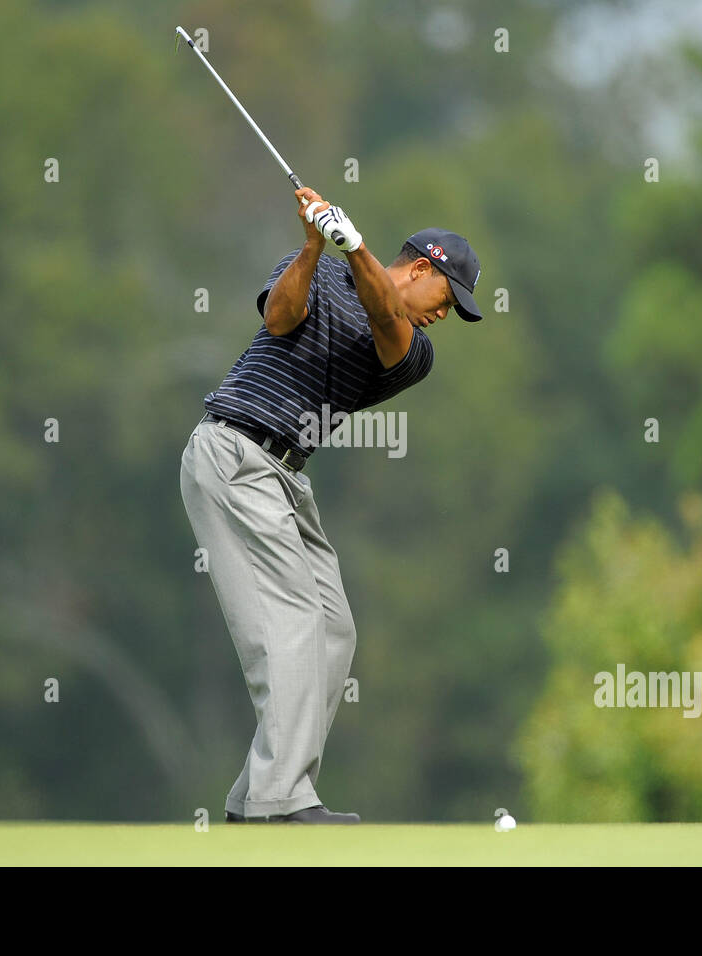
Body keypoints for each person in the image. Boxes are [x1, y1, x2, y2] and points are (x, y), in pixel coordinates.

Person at [179, 187, 483, 823]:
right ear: (423, 268)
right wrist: (317, 245)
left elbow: (386, 318)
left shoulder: (413, 350)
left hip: (286, 475)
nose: (443, 317)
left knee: (333, 629)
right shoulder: (313, 267)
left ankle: (254, 799)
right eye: (448, 300)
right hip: (235, 451)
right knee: (292, 623)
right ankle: (280, 803)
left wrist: (356, 246)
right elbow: (280, 319)